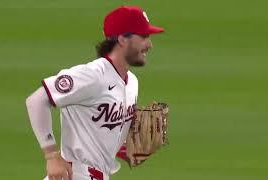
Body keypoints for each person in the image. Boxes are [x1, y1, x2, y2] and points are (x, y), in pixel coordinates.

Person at [26, 5, 164, 180]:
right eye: (143, 36)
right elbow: (36, 100)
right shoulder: (93, 75)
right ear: (122, 39)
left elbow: (104, 131)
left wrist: (130, 146)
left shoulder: (132, 83)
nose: (149, 44)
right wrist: (51, 156)